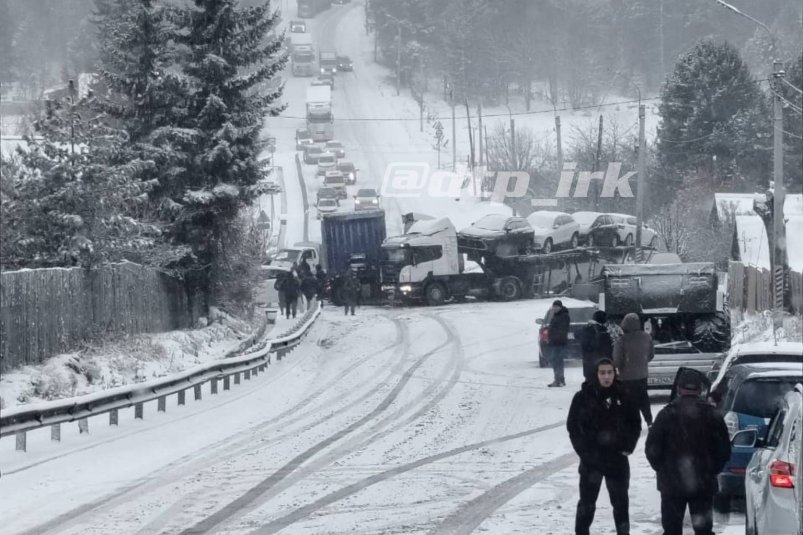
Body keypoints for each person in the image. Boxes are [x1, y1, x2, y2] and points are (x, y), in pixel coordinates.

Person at [645, 368, 731, 535]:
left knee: (671, 530)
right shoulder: (712, 415)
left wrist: (664, 470)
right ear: (700, 390)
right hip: (703, 484)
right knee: (703, 531)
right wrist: (711, 470)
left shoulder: (666, 414)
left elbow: (652, 449)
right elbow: (724, 451)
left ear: (678, 389)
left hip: (671, 485)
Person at [567, 358, 642, 535]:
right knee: (587, 504)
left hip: (617, 459)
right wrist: (585, 453)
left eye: (609, 372)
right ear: (596, 374)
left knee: (621, 504)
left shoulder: (624, 395)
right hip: (592, 461)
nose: (606, 376)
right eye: (602, 373)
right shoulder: (582, 397)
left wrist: (628, 446)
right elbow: (573, 427)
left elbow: (635, 424)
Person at [613, 312, 654, 426]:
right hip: (642, 375)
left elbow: (617, 361)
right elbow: (650, 355)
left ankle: (632, 424)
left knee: (628, 401)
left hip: (626, 377)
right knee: (643, 399)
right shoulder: (647, 337)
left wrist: (619, 370)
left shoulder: (621, 341)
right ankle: (649, 421)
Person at [579, 310, 613, 383]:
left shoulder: (587, 328)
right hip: (598, 365)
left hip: (589, 366)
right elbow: (606, 349)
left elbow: (585, 347)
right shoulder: (600, 331)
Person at [546, 300, 570, 387]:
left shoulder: (563, 316)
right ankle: (560, 379)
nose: (554, 308)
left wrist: (554, 338)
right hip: (555, 342)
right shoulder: (557, 315)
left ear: (560, 307)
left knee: (556, 360)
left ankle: (558, 380)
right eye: (554, 307)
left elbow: (561, 330)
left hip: (559, 342)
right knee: (558, 360)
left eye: (556, 306)